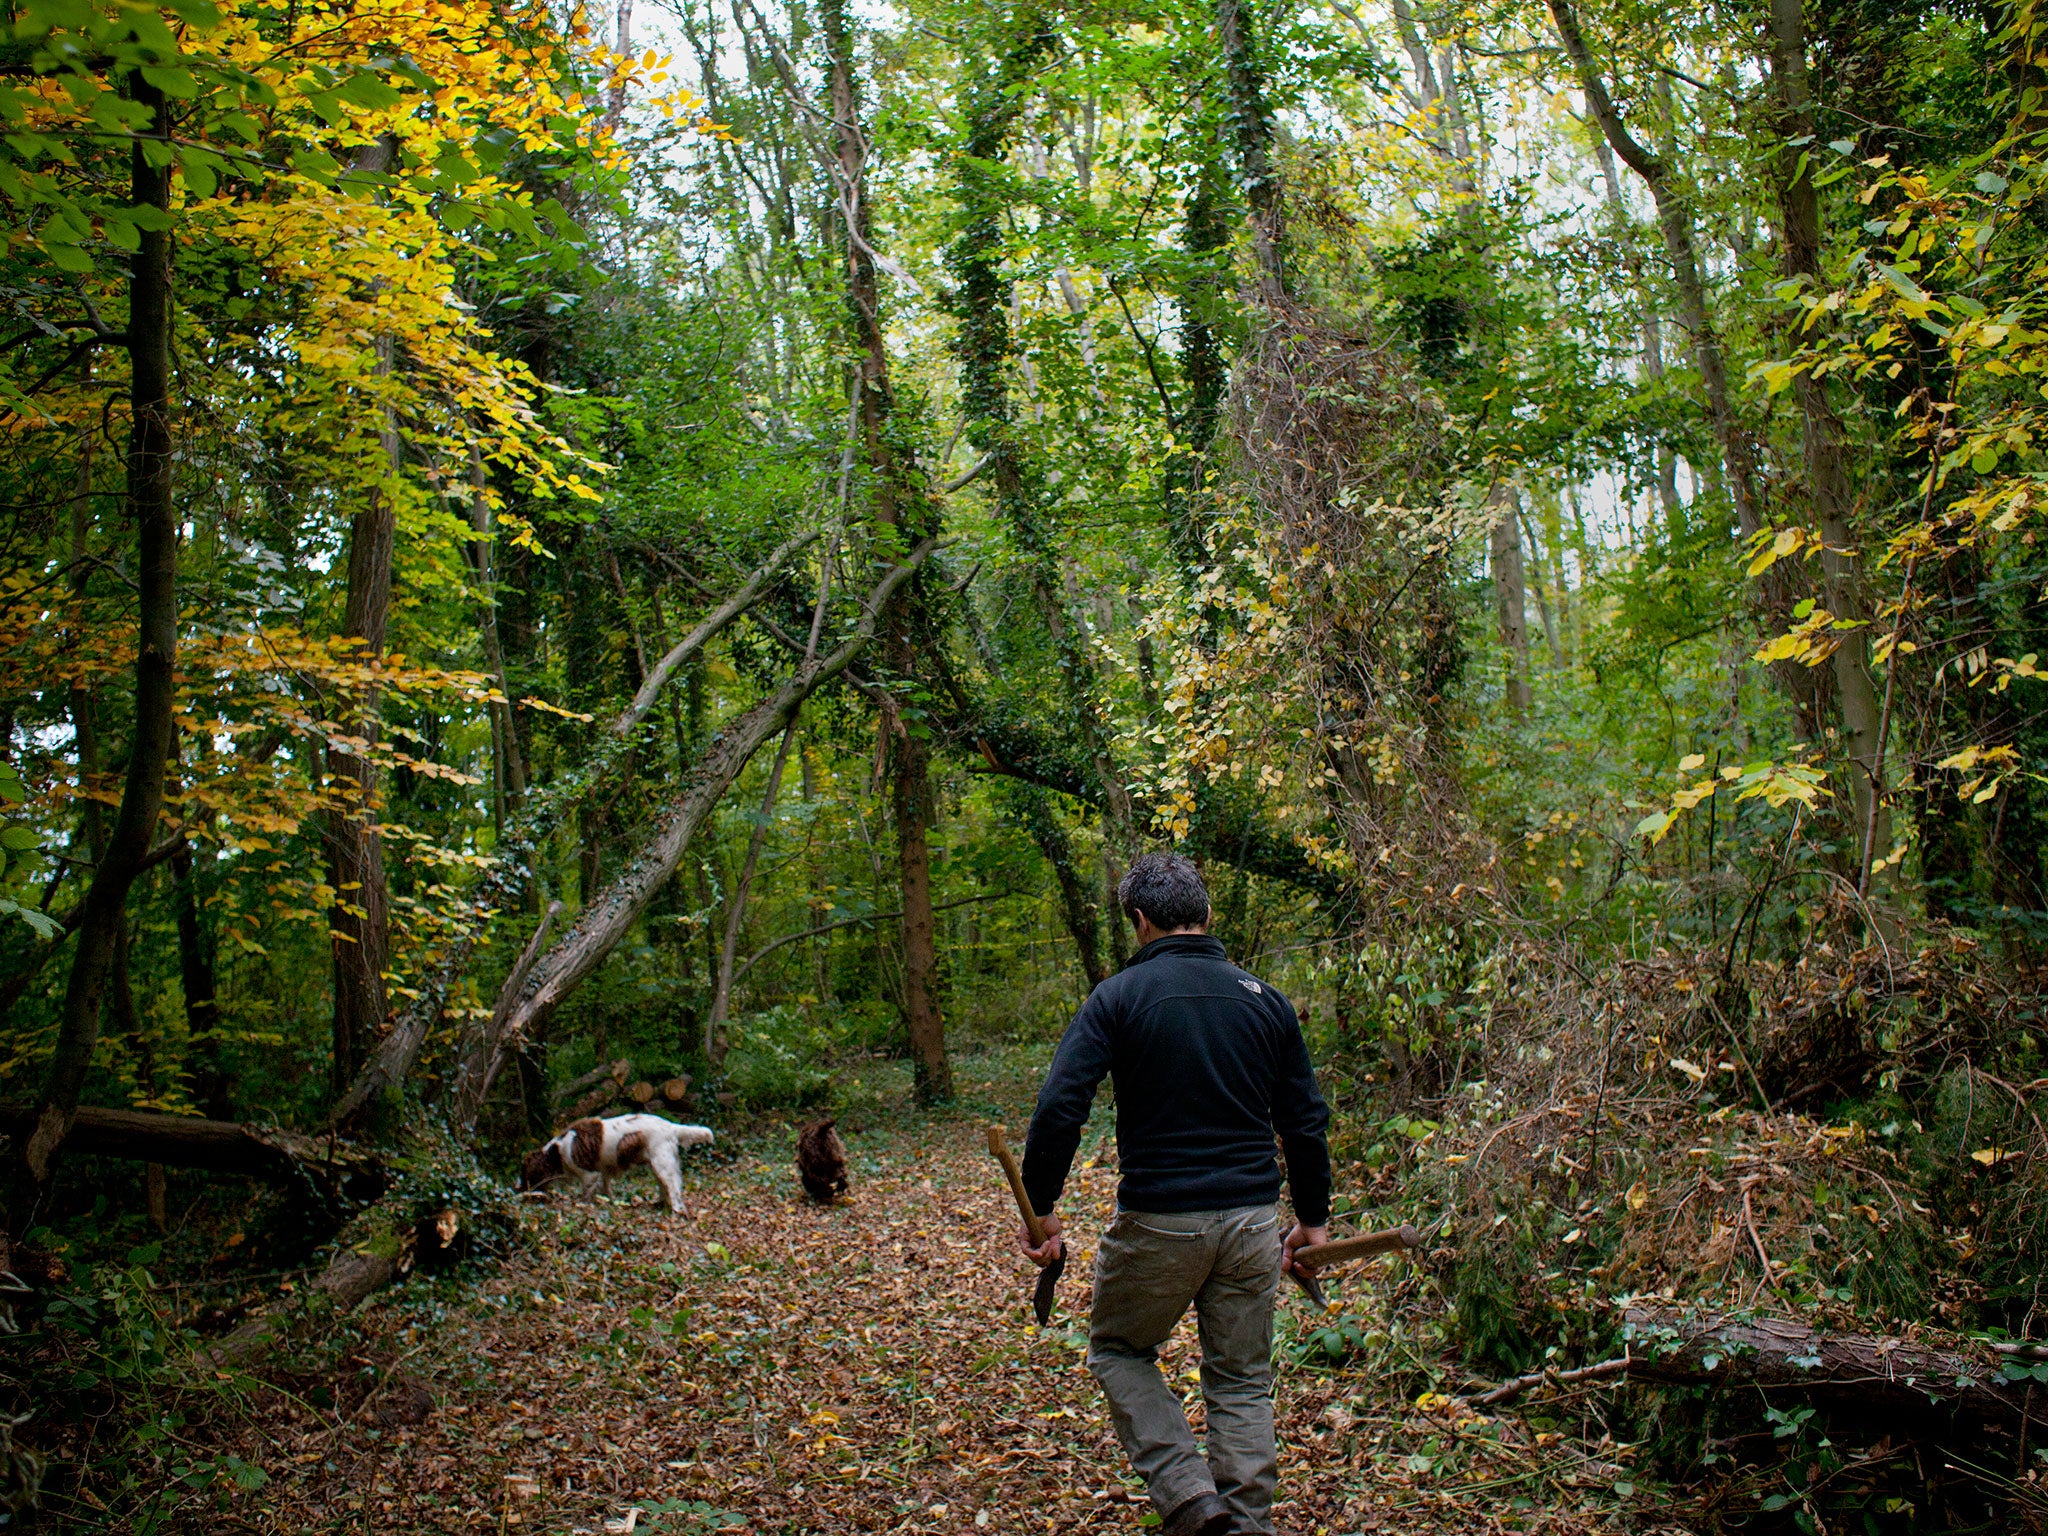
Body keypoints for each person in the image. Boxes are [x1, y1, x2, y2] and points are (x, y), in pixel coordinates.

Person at [1015, 852, 1331, 1536]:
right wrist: (1313, 1220)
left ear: (1139, 921)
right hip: (1253, 1222)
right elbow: (1304, 1121)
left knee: (1119, 1350)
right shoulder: (1265, 1000)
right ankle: (1244, 1524)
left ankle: (1191, 1500)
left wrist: (1041, 1205)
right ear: (1206, 915)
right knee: (1242, 1379)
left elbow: (1061, 1105)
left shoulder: (1118, 999)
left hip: (1159, 1220)